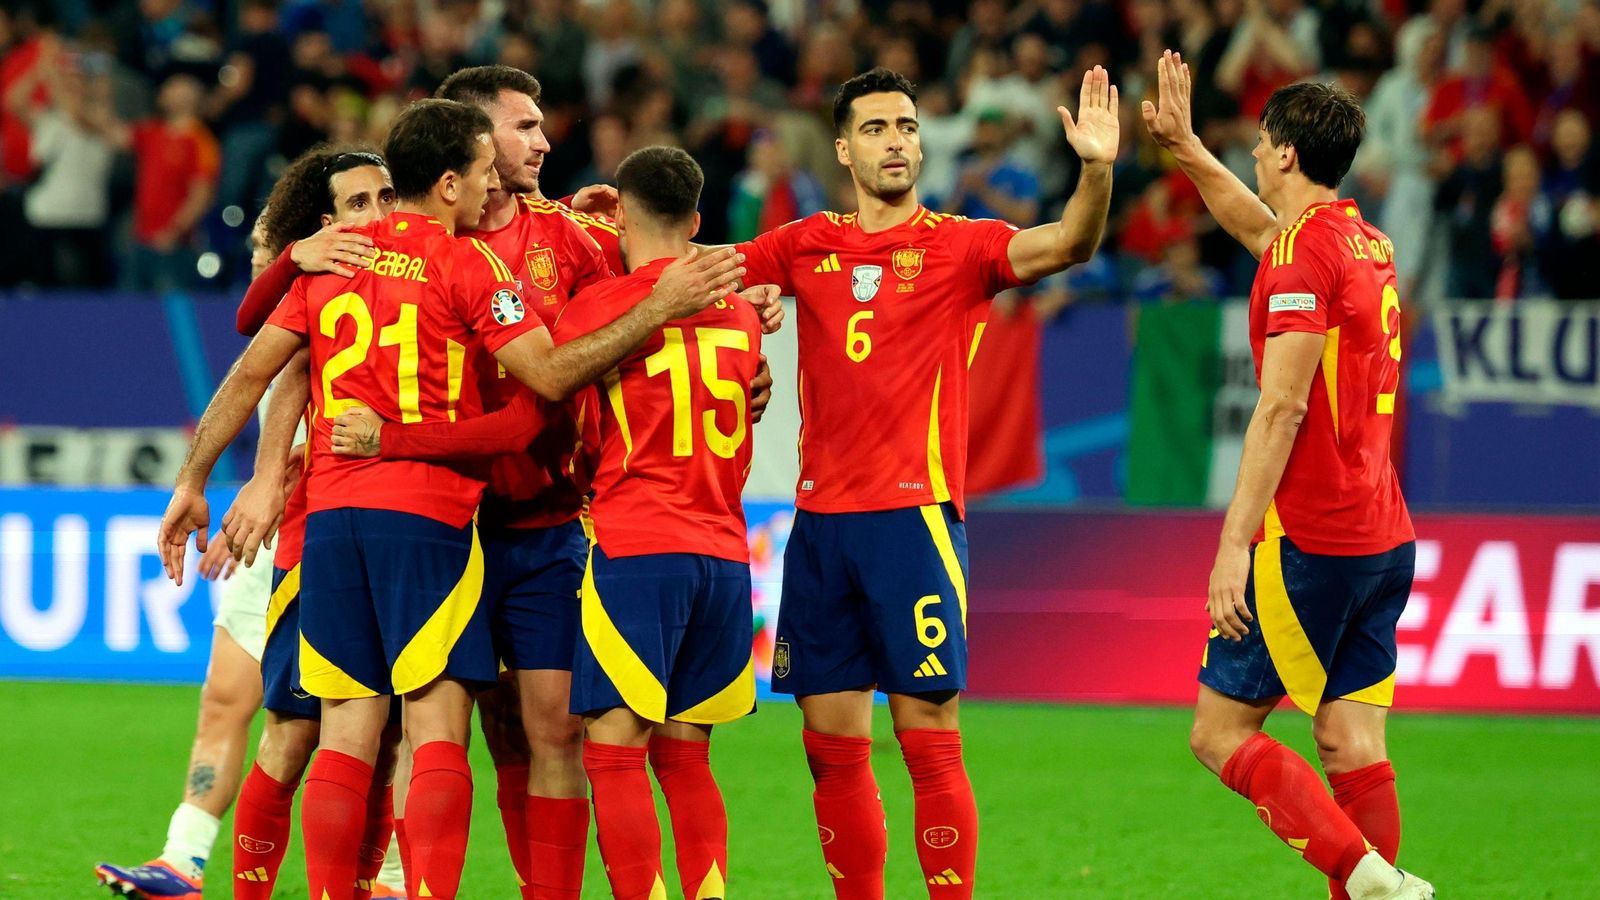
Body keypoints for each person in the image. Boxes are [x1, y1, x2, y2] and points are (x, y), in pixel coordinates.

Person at [154, 97, 746, 900]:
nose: (493, 179)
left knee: (346, 733)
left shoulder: (342, 256)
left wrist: (191, 481)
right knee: (436, 731)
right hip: (431, 520)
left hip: (336, 521)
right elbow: (546, 381)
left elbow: (252, 366)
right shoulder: (468, 266)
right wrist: (673, 310)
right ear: (448, 183)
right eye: (483, 167)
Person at [731, 65, 1119, 899]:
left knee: (928, 737)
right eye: (875, 129)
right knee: (829, 747)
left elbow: (1068, 244)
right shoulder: (803, 244)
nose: (896, 142)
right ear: (844, 149)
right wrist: (742, 330)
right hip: (820, 525)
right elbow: (709, 277)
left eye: (906, 126)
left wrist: (1095, 170)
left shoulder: (960, 245)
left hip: (914, 522)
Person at [1141, 49, 1435, 900]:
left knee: (1218, 731)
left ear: (1286, 154)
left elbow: (1281, 408)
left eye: (1262, 142)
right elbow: (1259, 231)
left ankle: (1366, 875)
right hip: (1384, 535)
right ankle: (1376, 884)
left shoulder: (1304, 256)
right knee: (1350, 742)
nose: (1254, 153)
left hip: (1313, 537)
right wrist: (1186, 147)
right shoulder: (1363, 241)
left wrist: (1234, 543)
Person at [92, 152, 392, 900]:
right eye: (260, 248)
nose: (260, 259)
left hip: (347, 525)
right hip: (281, 535)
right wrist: (258, 485)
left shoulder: (362, 284)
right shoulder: (292, 303)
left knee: (361, 730)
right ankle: (182, 858)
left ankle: (389, 875)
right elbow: (261, 343)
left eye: (270, 245)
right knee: (230, 701)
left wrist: (277, 475)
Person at [556, 144, 763, 900]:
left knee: (614, 751)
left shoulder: (599, 308)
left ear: (621, 218)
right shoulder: (743, 315)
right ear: (697, 221)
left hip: (637, 543)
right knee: (687, 755)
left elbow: (571, 425)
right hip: (724, 550)